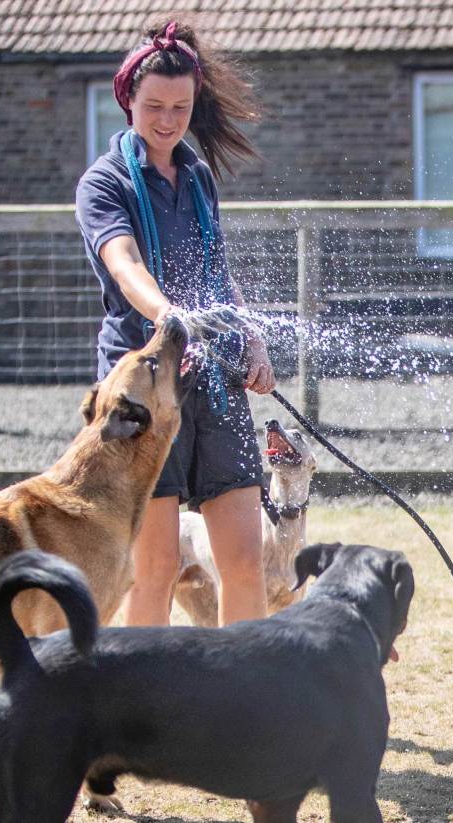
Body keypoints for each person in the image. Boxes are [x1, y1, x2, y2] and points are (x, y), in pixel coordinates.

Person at [75, 16, 274, 626]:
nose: (168, 119)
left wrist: (251, 336)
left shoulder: (198, 176)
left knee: (245, 560)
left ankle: (250, 696)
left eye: (181, 107)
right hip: (142, 390)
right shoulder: (103, 183)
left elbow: (215, 268)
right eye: (154, 105)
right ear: (127, 100)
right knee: (155, 567)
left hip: (212, 376)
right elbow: (124, 262)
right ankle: (146, 712)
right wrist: (169, 317)